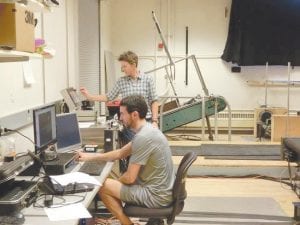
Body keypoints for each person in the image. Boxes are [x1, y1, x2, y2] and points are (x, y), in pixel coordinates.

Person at [77, 95, 175, 225]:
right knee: (108, 183)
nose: (120, 118)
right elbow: (120, 153)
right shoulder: (148, 130)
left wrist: (115, 185)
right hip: (162, 191)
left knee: (102, 186)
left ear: (134, 114)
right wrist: (90, 157)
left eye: (122, 114)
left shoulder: (143, 137)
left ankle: (127, 224)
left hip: (156, 196)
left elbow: (129, 178)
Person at [80, 51, 159, 127]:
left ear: (134, 65)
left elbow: (154, 101)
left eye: (125, 66)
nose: (123, 69)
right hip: (129, 123)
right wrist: (90, 97)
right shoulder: (121, 81)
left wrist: (154, 121)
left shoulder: (148, 79)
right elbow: (108, 97)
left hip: (146, 121)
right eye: (122, 67)